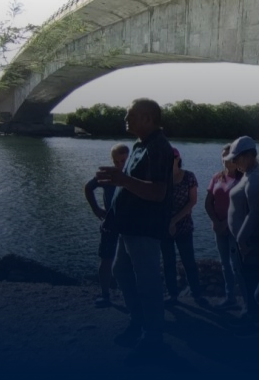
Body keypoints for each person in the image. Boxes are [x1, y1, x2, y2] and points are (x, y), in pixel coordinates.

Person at [96, 98, 173, 353]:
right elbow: (132, 183)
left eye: (130, 115)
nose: (125, 119)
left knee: (147, 284)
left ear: (148, 118)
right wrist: (119, 181)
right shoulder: (140, 144)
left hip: (144, 229)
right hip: (128, 227)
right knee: (122, 273)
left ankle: (153, 340)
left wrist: (123, 180)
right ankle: (138, 322)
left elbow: (159, 193)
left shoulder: (158, 147)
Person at [225, 136, 259, 321]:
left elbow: (255, 213)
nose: (234, 162)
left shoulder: (255, 178)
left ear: (250, 156)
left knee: (251, 281)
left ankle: (255, 321)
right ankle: (251, 314)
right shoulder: (249, 173)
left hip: (250, 242)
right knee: (247, 280)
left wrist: (241, 240)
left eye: (237, 158)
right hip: (246, 240)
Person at [84, 143, 129, 308]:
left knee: (129, 261)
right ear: (112, 160)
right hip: (110, 224)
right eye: (116, 161)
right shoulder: (107, 175)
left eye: (123, 161)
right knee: (106, 259)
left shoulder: (134, 176)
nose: (120, 164)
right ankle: (105, 295)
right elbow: (88, 188)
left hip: (129, 225)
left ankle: (131, 296)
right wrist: (96, 208)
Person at [160, 147, 203, 306]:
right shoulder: (161, 178)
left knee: (188, 261)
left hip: (184, 226)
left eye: (170, 158)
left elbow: (192, 201)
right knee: (168, 262)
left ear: (177, 159)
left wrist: (174, 221)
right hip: (164, 227)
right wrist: (167, 223)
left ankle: (197, 294)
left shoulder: (189, 177)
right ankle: (172, 295)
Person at [204, 143, 243, 310]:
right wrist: (216, 221)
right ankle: (230, 297)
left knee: (237, 265)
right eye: (223, 155)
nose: (225, 159)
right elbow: (208, 203)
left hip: (235, 229)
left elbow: (244, 207)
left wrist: (226, 222)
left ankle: (247, 301)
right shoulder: (217, 177)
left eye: (229, 155)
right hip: (218, 228)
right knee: (224, 264)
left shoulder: (242, 179)